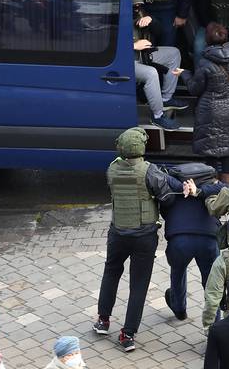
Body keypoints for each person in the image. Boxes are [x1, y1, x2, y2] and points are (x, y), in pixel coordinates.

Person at [93, 127, 177, 352]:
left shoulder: (111, 169)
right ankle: (127, 334)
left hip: (118, 233)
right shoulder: (150, 171)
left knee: (111, 272)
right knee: (138, 284)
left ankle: (103, 320)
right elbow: (168, 198)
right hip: (144, 236)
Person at [161, 162, 227, 320]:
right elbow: (227, 188)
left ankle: (179, 309)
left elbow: (163, 209)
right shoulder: (211, 187)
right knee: (211, 283)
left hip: (179, 239)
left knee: (177, 273)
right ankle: (214, 324)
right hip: (208, 240)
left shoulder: (171, 186)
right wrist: (199, 191)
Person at [185, 22, 229, 185]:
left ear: (207, 40)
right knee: (227, 153)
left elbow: (194, 89)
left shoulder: (204, 61)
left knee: (211, 154)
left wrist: (184, 74)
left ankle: (212, 194)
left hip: (209, 110)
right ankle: (226, 190)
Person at [133, 0, 188, 131]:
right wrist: (132, 45)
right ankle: (157, 116)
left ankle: (166, 98)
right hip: (128, 60)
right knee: (150, 74)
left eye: (139, 4)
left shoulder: (140, 13)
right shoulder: (116, 16)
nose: (137, 7)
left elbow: (159, 32)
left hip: (143, 54)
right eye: (134, 5)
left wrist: (152, 20)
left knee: (174, 53)